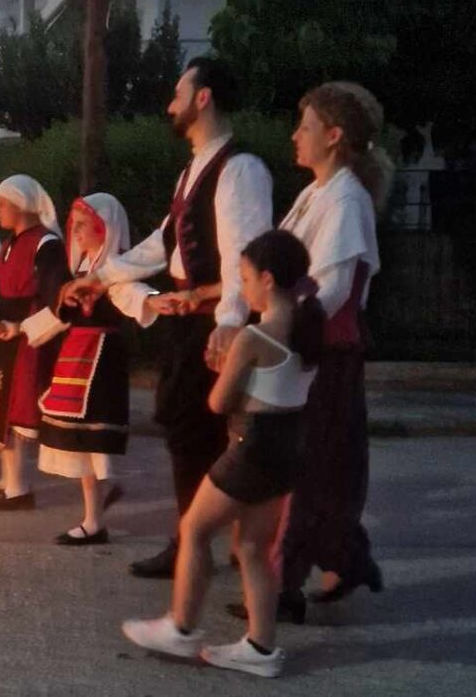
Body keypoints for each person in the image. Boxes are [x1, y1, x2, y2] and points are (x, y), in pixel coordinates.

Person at [63, 57, 273, 578]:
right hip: (186, 318)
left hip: (210, 322)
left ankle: (205, 546)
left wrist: (228, 321)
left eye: (178, 91)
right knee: (186, 432)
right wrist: (103, 276)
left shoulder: (239, 169)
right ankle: (194, 540)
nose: (169, 103)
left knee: (205, 433)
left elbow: (244, 254)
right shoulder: (192, 170)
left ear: (203, 98)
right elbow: (163, 243)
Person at [121, 229, 324, 680]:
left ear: (267, 280)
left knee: (193, 529)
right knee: (252, 547)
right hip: (287, 451)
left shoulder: (254, 337)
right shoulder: (311, 332)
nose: (243, 288)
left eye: (246, 278)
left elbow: (218, 403)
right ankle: (261, 647)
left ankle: (182, 625)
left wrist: (222, 366)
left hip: (249, 446)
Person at [271, 81, 388, 615]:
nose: (296, 136)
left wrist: (276, 327)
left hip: (325, 354)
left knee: (310, 467)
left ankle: (282, 584)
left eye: (307, 127)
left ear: (335, 135)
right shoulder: (319, 192)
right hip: (306, 347)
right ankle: (347, 561)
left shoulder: (345, 199)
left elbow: (332, 288)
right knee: (322, 467)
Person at [34, 194, 146, 545]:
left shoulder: (116, 269)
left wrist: (155, 300)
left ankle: (94, 518)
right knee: (82, 443)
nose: (76, 231)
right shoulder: (82, 270)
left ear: (104, 227)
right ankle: (94, 517)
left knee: (93, 441)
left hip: (102, 361)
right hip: (77, 355)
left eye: (83, 224)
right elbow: (60, 314)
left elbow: (135, 294)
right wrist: (22, 330)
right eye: (74, 225)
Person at [0, 175, 70, 510]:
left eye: (1, 204)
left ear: (20, 204)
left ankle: (18, 488)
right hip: (5, 333)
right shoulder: (9, 243)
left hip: (27, 335)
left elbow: (53, 295)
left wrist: (20, 326)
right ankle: (6, 481)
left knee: (14, 410)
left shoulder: (46, 243)